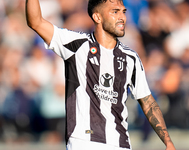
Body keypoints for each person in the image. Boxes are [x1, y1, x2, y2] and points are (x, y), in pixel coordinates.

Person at [25, 0, 176, 150]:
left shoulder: (131, 58)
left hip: (120, 144)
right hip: (83, 142)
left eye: (123, 12)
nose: (122, 17)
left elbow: (147, 101)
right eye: (115, 12)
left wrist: (168, 142)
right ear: (97, 17)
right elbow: (36, 22)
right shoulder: (77, 44)